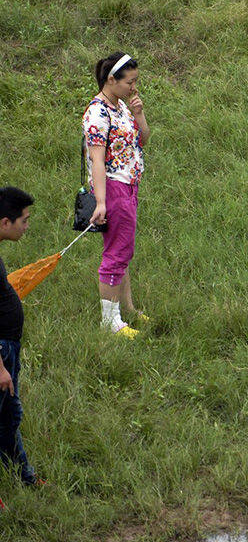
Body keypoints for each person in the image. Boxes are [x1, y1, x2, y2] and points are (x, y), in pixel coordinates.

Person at [82, 52, 151, 339]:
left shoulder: (121, 107)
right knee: (116, 253)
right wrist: (101, 202)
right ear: (111, 79)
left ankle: (129, 309)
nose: (134, 87)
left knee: (123, 249)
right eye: (129, 82)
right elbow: (97, 160)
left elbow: (142, 140)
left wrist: (139, 114)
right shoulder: (97, 113)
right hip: (112, 188)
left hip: (129, 185)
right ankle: (110, 322)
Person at [0, 187, 40, 501]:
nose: (27, 226)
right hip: (1, 354)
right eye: (23, 221)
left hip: (8, 348)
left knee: (9, 416)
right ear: (4, 223)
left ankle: (24, 477)